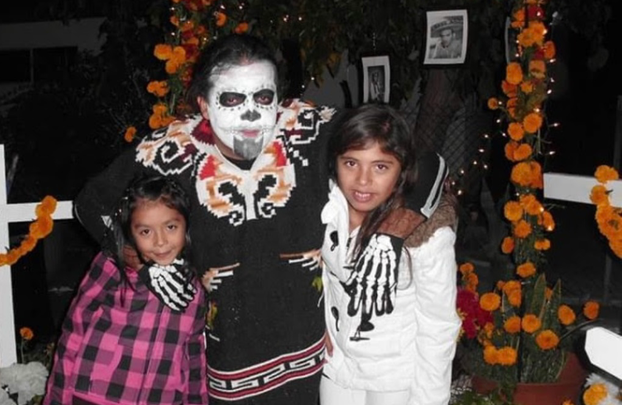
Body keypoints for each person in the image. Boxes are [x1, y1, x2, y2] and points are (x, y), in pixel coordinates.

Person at [74, 34, 447, 405]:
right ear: (204, 104)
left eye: (264, 97)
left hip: (313, 361)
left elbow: (423, 162)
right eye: (232, 99)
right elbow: (91, 204)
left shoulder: (309, 128)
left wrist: (388, 235)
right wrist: (143, 263)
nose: (251, 113)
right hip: (229, 366)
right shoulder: (172, 149)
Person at [319, 104, 460, 405]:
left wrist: (429, 401)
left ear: (401, 171)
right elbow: (318, 275)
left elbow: (438, 326)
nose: (363, 180)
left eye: (380, 167)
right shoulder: (327, 209)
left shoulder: (427, 237)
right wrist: (317, 324)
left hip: (394, 378)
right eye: (351, 163)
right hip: (337, 367)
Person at [45, 176, 207, 405]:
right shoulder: (113, 266)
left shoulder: (195, 284)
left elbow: (194, 351)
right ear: (130, 232)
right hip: (96, 396)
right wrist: (58, 397)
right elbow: (75, 328)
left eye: (171, 227)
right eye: (146, 232)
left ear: (186, 225)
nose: (160, 241)